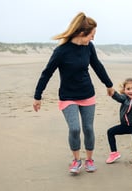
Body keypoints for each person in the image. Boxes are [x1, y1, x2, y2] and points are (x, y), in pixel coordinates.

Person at [33, 12, 114, 174]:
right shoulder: (62, 51)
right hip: (68, 96)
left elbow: (97, 66)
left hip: (87, 94)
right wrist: (37, 95)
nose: (93, 39)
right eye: (91, 35)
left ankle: (89, 159)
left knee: (88, 129)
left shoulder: (89, 47)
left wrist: (109, 84)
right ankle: (76, 160)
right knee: (75, 129)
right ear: (82, 33)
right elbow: (47, 72)